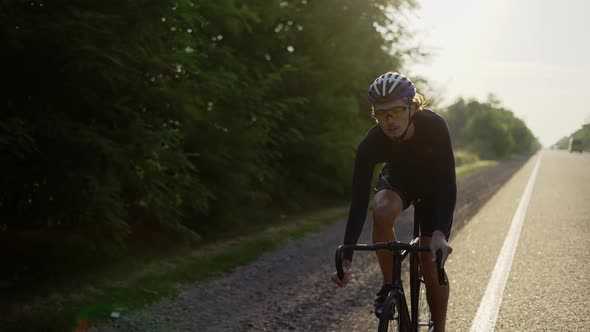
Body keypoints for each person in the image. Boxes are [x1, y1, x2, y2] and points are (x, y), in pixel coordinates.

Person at [331, 72, 456, 332]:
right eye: (381, 113)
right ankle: (390, 286)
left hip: (433, 186)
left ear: (412, 106)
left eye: (397, 111)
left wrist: (440, 233)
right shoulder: (371, 143)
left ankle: (440, 329)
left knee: (429, 262)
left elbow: (447, 183)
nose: (389, 121)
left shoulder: (434, 126)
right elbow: (358, 203)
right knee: (381, 211)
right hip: (400, 179)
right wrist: (347, 259)